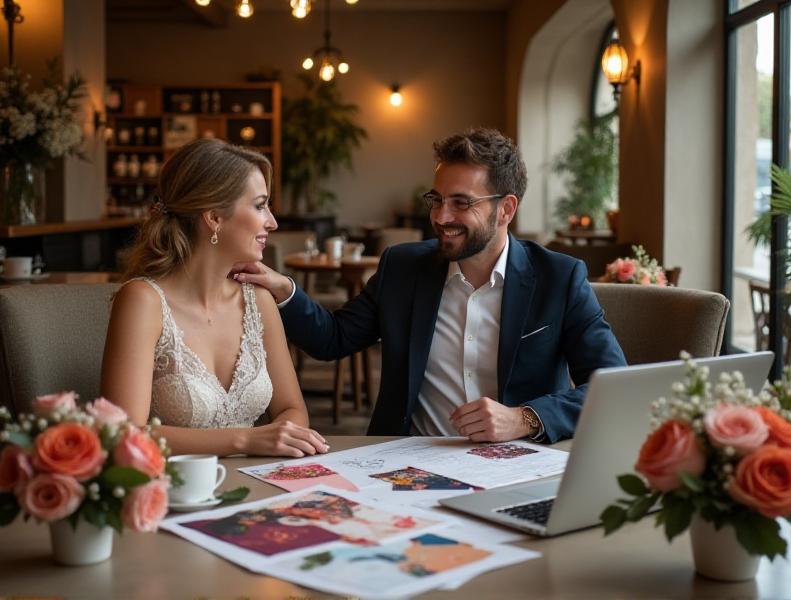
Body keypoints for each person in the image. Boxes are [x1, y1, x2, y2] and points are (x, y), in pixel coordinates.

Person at [232, 128, 626, 443]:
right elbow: (333, 339)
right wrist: (284, 289)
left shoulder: (560, 277)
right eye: (436, 200)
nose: (441, 216)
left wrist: (523, 419)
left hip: (517, 463)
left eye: (461, 203)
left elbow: (612, 387)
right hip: (407, 462)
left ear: (506, 209)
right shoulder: (404, 267)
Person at [101, 138, 328, 458]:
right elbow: (124, 431)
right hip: (174, 490)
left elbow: (292, 410)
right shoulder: (143, 301)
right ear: (214, 217)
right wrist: (245, 440)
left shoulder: (259, 301)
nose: (272, 222)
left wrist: (281, 436)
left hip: (260, 483)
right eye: (260, 205)